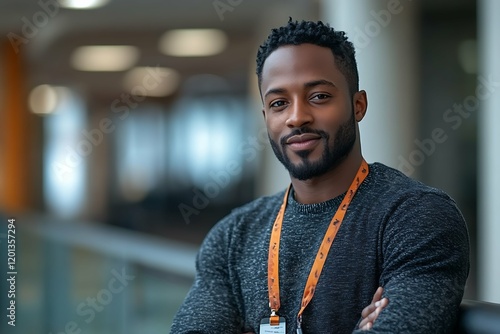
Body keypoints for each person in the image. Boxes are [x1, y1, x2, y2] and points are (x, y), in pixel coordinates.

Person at [170, 19, 470, 334]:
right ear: (266, 117)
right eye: (279, 103)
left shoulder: (416, 217)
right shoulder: (232, 236)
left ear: (358, 105)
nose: (297, 117)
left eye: (319, 96)